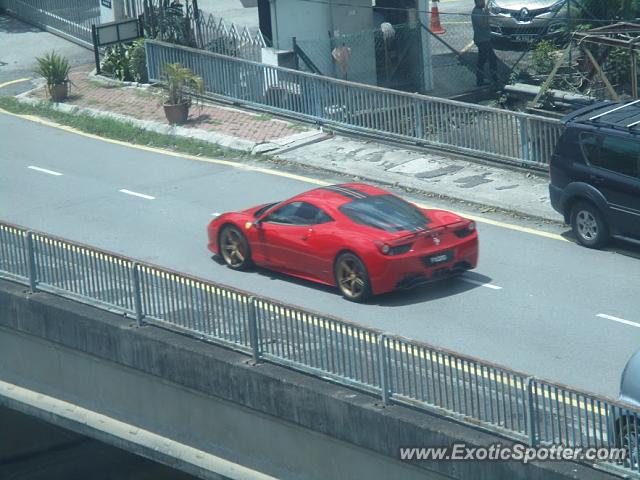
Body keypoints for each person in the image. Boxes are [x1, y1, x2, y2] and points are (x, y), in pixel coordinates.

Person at [472, 0, 498, 86]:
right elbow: (482, 24)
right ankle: (494, 78)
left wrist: (487, 14)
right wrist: (486, 14)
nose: (483, 2)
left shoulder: (480, 11)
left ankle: (480, 80)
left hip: (485, 39)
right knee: (491, 59)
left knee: (482, 60)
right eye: (482, 1)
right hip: (482, 40)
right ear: (477, 2)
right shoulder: (476, 12)